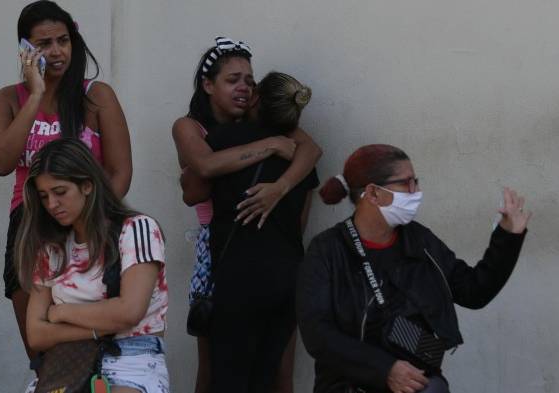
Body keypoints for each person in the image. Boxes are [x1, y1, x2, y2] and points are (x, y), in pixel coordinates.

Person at [297, 144, 530, 393]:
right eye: (407, 183)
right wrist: (385, 369)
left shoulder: (419, 240)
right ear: (374, 194)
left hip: (417, 382)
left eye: (416, 182)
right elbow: (317, 334)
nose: (416, 192)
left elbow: (474, 291)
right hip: (350, 384)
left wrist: (507, 238)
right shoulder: (327, 250)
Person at [172, 37, 321, 393]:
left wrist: (279, 187)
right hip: (218, 251)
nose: (243, 87)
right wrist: (269, 145)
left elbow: (312, 149)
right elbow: (203, 171)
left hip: (261, 258)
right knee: (213, 371)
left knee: (274, 373)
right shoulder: (192, 127)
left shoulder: (272, 125)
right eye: (232, 79)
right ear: (208, 85)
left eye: (249, 81)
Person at [0, 0, 132, 362]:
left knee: (93, 349)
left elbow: (120, 172)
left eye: (62, 41)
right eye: (43, 44)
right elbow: (0, 163)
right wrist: (35, 94)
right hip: (30, 227)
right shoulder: (9, 99)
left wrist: (87, 223)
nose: (55, 51)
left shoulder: (96, 96)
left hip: (90, 226)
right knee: (42, 351)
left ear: (73, 41)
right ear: (25, 50)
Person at [15, 138, 168, 393]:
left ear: (87, 185)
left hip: (132, 358)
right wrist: (101, 327)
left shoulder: (135, 229)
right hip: (69, 362)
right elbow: (37, 334)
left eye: (60, 192)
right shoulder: (51, 248)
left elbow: (130, 311)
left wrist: (61, 314)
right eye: (44, 196)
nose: (52, 204)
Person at [204, 70, 319, 393]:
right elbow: (301, 221)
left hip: (238, 278)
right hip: (287, 278)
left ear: (255, 99)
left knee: (228, 378)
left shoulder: (224, 140)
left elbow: (194, 191)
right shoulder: (301, 157)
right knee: (266, 376)